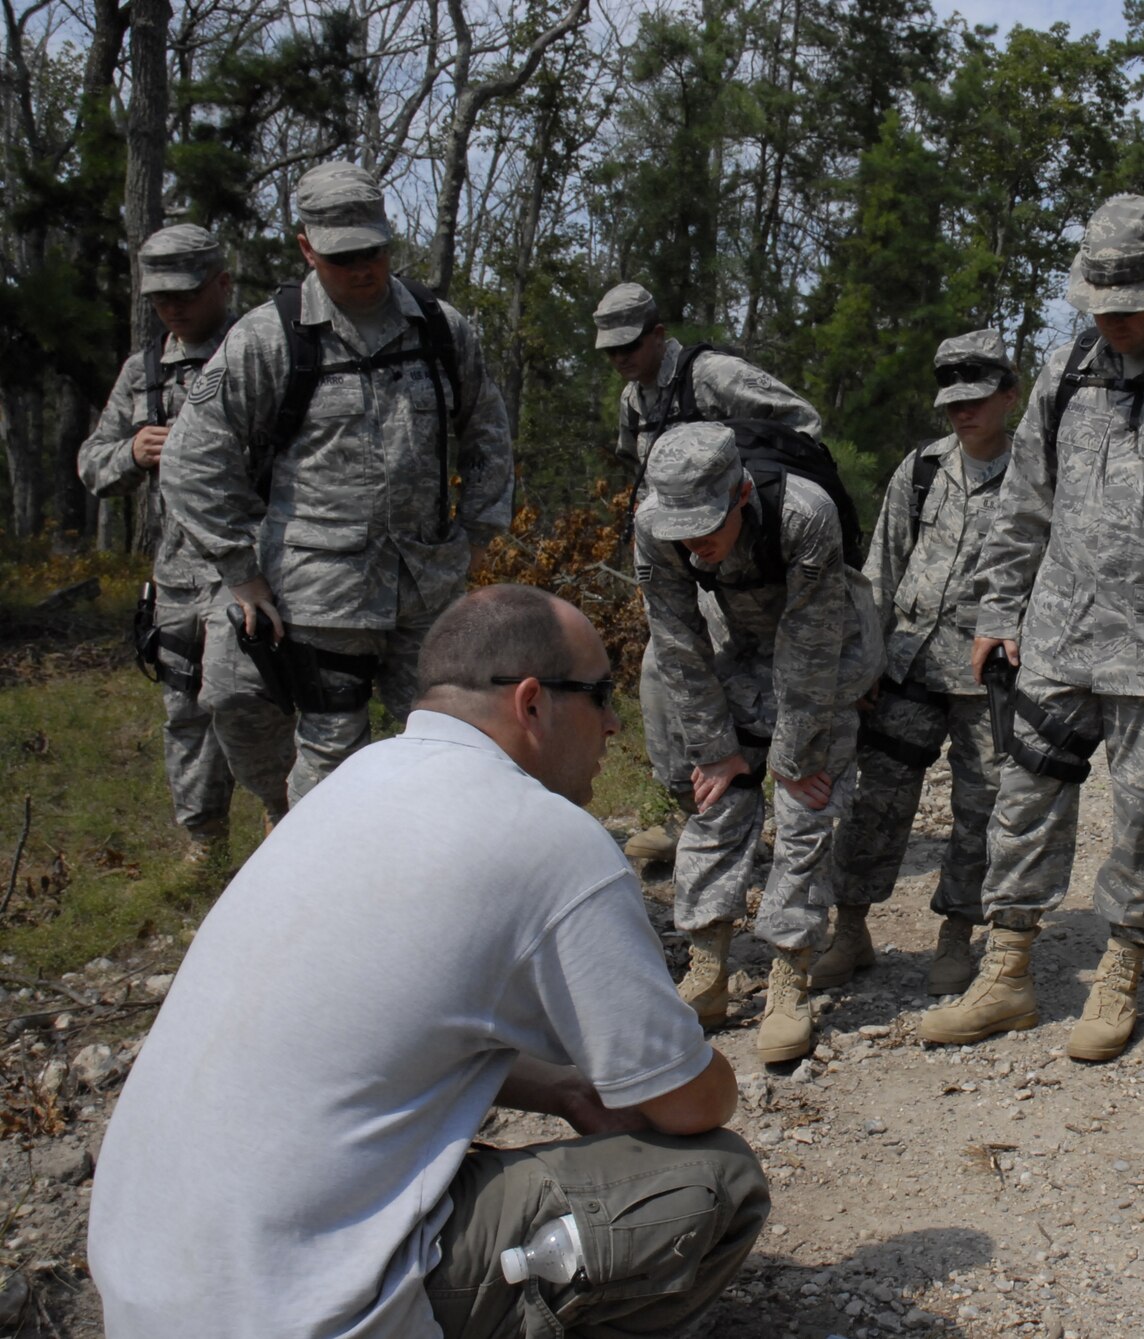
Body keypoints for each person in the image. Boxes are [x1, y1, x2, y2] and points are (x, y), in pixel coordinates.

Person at [88, 585, 767, 1337]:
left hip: (147, 1292)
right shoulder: (547, 836)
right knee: (717, 1179)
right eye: (601, 694)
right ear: (533, 703)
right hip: (292, 1313)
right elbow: (690, 1101)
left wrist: (566, 1089)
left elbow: (368, 1024)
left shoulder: (353, 784)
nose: (613, 723)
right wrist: (697, 1070)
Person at [920, 194, 1144, 1062]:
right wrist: (999, 608)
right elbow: (1024, 505)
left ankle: (1122, 965)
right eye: (1103, 306)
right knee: (1022, 803)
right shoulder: (1068, 370)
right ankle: (1006, 968)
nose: (1116, 322)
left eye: (1131, 306)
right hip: (1059, 636)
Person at [161, 160, 513, 804]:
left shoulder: (439, 329)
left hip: (428, 586)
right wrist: (240, 569)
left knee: (451, 745)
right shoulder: (269, 339)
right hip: (318, 596)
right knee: (331, 760)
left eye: (374, 250)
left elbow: (487, 427)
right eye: (343, 255)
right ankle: (321, 880)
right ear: (307, 248)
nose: (363, 268)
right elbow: (193, 458)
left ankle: (434, 879)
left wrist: (480, 533)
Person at [635, 423, 880, 1065]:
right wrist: (719, 751)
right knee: (718, 801)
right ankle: (707, 967)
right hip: (737, 646)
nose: (695, 542)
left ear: (742, 492)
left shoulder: (805, 515)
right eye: (681, 528)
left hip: (829, 653)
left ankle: (791, 975)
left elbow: (812, 645)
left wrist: (792, 760)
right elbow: (676, 642)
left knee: (807, 809)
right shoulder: (655, 526)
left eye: (708, 524)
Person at [76, 224, 293, 859]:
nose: (174, 308)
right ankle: (205, 847)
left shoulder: (263, 354)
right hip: (174, 577)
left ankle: (285, 816)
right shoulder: (143, 374)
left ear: (221, 284)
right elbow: (92, 464)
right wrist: (131, 453)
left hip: (251, 566)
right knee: (185, 713)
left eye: (187, 293)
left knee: (251, 698)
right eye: (161, 298)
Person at [594, 281, 824, 866]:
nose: (621, 357)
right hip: (684, 561)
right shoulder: (633, 400)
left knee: (775, 688)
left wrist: (742, 489)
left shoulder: (713, 376)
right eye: (610, 349)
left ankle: (755, 823)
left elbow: (801, 424)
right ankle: (701, 820)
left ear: (658, 333)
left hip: (749, 553)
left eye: (630, 344)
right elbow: (637, 467)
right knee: (661, 680)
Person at [825, 329, 1018, 995]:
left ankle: (957, 936)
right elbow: (881, 567)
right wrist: (864, 663)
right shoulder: (924, 468)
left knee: (981, 806)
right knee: (875, 799)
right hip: (907, 666)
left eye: (977, 397)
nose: (963, 412)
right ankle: (849, 929)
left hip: (986, 675)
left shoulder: (1033, 479)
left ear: (1008, 395)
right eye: (952, 401)